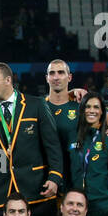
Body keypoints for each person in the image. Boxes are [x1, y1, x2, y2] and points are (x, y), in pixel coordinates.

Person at [0, 63, 63, 216]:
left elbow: (52, 146)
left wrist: (55, 177)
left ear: (8, 80)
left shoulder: (35, 105)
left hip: (37, 190)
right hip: (1, 192)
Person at [44, 59, 81, 190]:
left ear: (69, 77)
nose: (56, 77)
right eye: (52, 73)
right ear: (47, 78)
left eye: (61, 72)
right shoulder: (38, 107)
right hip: (45, 181)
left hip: (74, 180)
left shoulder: (80, 107)